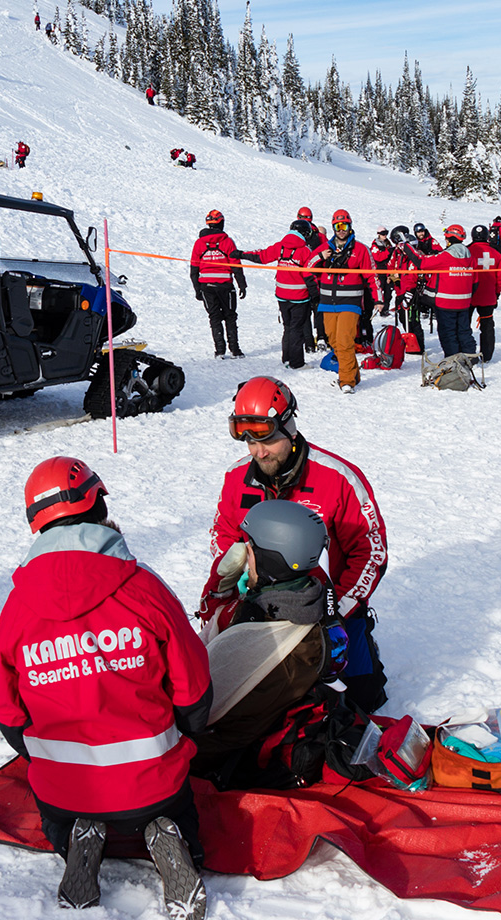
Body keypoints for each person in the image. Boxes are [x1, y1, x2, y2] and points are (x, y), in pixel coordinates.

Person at [0, 458, 212, 918]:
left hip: (61, 792)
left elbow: (8, 714)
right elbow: (194, 687)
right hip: (155, 784)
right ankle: (171, 837)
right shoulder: (142, 586)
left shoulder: (16, 605)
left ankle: (76, 838)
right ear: (99, 504)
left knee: (61, 819)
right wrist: (187, 734)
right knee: (183, 815)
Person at [201, 378, 389, 710]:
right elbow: (224, 535)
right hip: (262, 607)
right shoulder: (236, 479)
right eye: (248, 441)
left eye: (268, 439)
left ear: (288, 428)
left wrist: (339, 611)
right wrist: (231, 584)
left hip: (329, 608)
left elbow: (371, 552)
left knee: (362, 699)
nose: (259, 452)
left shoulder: (337, 479)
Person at [190, 500, 344, 774]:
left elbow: (195, 702)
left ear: (267, 558)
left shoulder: (262, 632)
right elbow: (222, 624)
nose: (243, 554)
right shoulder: (305, 601)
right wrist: (221, 585)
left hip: (214, 757)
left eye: (248, 549)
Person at [243, 213, 324, 369]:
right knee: (296, 329)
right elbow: (309, 275)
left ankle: (286, 358)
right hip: (299, 297)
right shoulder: (304, 250)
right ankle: (297, 363)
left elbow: (262, 256)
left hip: (281, 296)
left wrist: (240, 254)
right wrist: (315, 295)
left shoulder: (280, 246)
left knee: (287, 327)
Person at [314, 209, 374, 393]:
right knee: (334, 341)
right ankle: (353, 373)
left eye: (345, 226)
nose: (341, 230)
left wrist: (378, 300)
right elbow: (307, 267)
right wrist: (319, 257)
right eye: (338, 226)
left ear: (350, 226)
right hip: (327, 302)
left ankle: (346, 380)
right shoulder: (325, 247)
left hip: (350, 302)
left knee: (345, 340)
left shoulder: (360, 249)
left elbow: (373, 276)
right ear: (333, 227)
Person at [189, 208, 247, 359]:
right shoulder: (227, 242)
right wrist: (242, 285)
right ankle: (235, 350)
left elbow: (194, 269)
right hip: (225, 287)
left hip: (206, 287)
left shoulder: (199, 244)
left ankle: (220, 351)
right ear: (221, 223)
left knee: (214, 318)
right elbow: (236, 265)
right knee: (230, 317)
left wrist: (197, 289)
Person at [420, 224, 477, 357]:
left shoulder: (445, 256)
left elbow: (422, 263)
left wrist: (405, 246)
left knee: (448, 333)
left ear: (449, 239)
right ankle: (470, 357)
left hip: (445, 303)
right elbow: (475, 281)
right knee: (464, 331)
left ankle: (453, 360)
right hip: (464, 303)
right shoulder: (470, 257)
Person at [468, 224, 501, 361]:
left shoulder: (467, 251)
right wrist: (497, 293)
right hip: (488, 296)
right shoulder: (496, 254)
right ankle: (487, 355)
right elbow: (500, 278)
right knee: (487, 325)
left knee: (465, 325)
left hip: (469, 295)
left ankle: (468, 352)